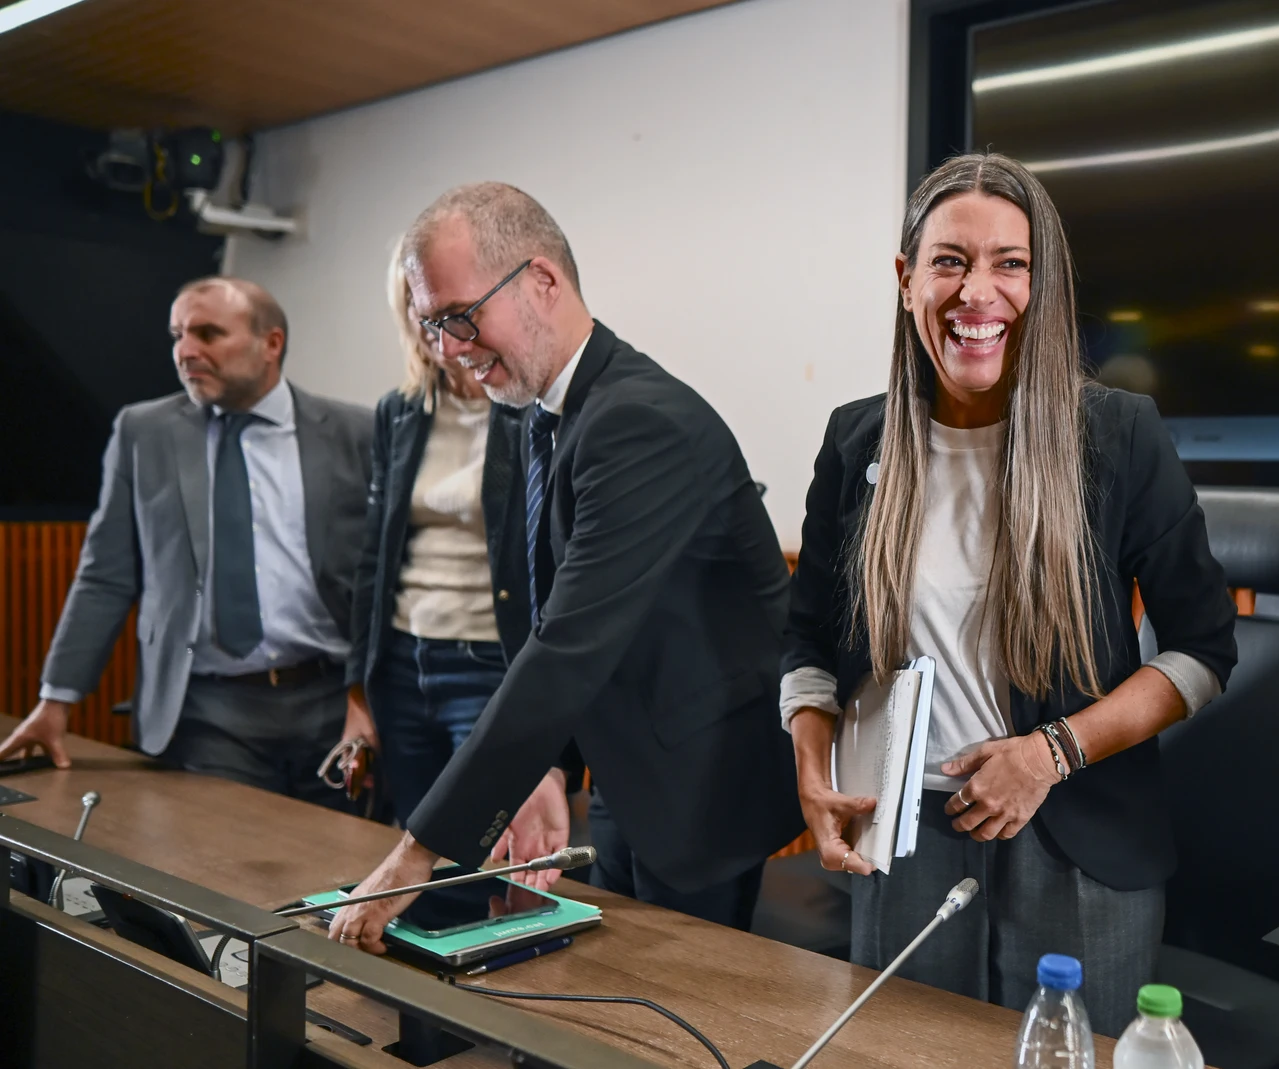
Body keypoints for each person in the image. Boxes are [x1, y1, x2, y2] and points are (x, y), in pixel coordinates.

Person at [780, 153, 1237, 1035]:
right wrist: (812, 770)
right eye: (949, 261)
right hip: (902, 835)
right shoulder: (854, 441)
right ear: (907, 278)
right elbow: (808, 645)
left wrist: (1050, 752)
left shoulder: (1118, 435)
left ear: (1042, 283)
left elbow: (1202, 651)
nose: (977, 292)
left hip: (1077, 840)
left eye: (1010, 264)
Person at [327, 183, 802, 943]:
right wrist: (547, 768)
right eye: (433, 325)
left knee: (673, 1003)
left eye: (460, 317)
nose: (448, 349)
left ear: (542, 281)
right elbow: (549, 611)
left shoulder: (637, 420)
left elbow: (568, 645)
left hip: (700, 784)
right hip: (626, 769)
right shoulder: (544, 410)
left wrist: (414, 855)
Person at [0, 277, 375, 807]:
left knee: (339, 857)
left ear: (271, 343)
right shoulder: (144, 432)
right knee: (223, 853)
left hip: (333, 702)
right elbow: (105, 575)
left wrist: (371, 699)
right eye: (178, 335)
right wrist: (55, 699)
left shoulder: (356, 432)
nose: (185, 351)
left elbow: (382, 576)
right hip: (207, 709)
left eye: (208, 333)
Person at [346, 246, 528, 825]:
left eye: (445, 309)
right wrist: (357, 692)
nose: (432, 324)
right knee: (412, 835)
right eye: (416, 308)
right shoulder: (398, 411)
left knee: (481, 836)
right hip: (401, 661)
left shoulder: (527, 409)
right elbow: (374, 558)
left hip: (489, 661)